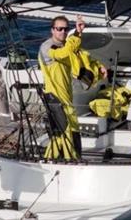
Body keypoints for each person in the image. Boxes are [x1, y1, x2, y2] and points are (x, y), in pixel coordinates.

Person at [38, 15, 91, 160]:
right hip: (55, 99)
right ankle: (64, 159)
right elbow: (63, 53)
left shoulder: (67, 45)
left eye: (65, 29)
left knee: (71, 130)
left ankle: (68, 158)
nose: (62, 32)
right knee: (63, 132)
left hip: (67, 99)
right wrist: (77, 35)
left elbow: (78, 57)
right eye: (59, 29)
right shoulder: (48, 47)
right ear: (52, 30)